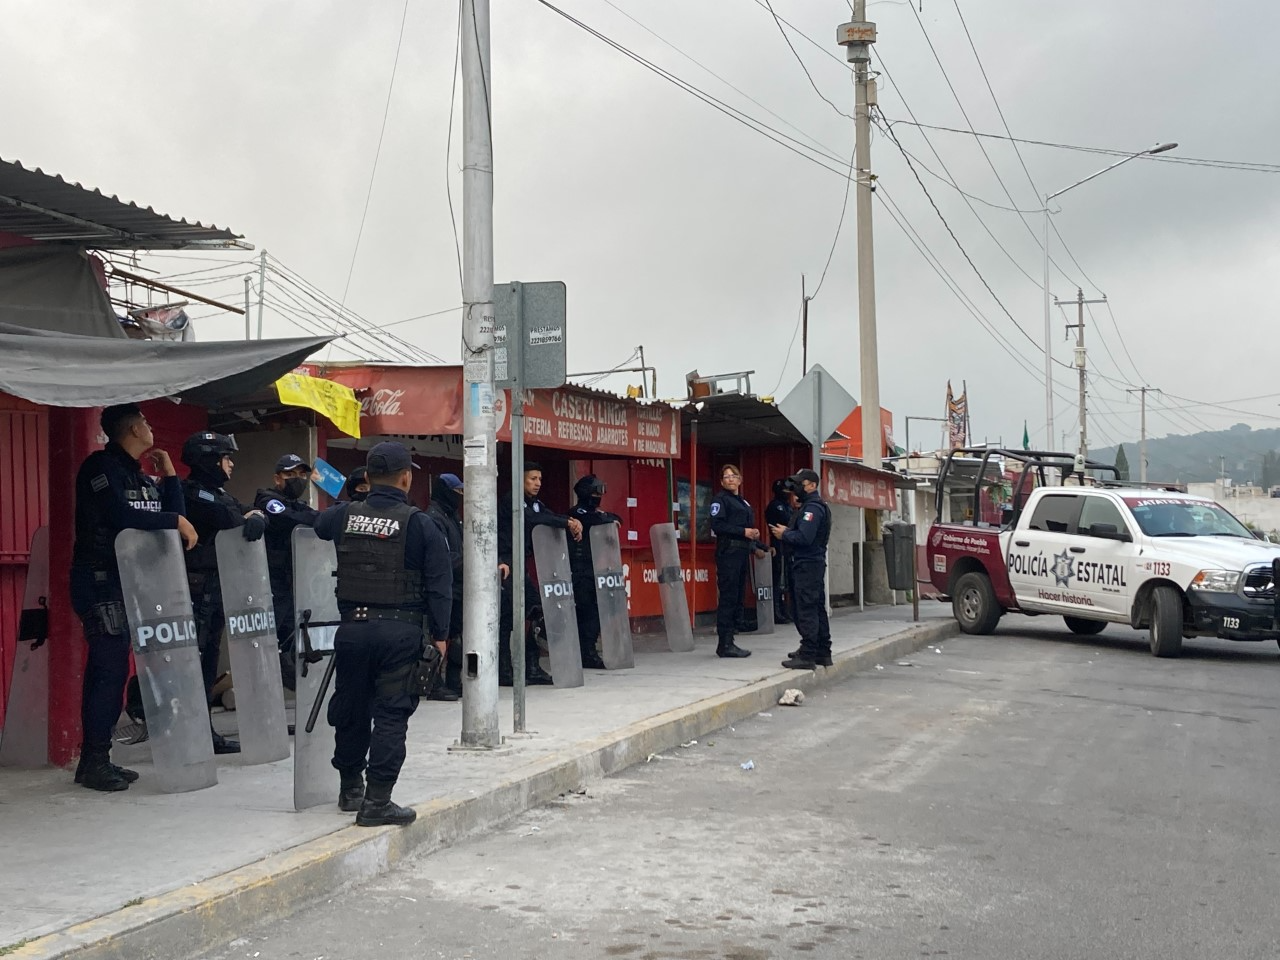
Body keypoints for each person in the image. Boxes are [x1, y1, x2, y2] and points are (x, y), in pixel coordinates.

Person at [314, 442, 452, 827]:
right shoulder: (421, 523)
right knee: (391, 714)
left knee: (351, 708)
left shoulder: (344, 515)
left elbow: (318, 524)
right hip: (400, 632)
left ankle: (350, 788)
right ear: (406, 477)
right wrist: (441, 635)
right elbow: (440, 584)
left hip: (353, 630)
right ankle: (377, 801)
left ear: (368, 479)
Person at [70, 403, 197, 791]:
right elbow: (122, 516)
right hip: (99, 581)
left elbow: (172, 519)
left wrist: (170, 476)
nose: (150, 427)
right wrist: (173, 521)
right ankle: (93, 760)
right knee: (107, 672)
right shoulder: (101, 468)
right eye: (146, 422)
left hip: (131, 585)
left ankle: (100, 758)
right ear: (132, 428)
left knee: (115, 671)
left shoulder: (138, 476)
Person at [180, 431, 270, 755]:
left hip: (217, 589)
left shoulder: (216, 492)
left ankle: (203, 731)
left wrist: (256, 515)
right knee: (197, 661)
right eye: (225, 458)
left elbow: (251, 511)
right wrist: (247, 516)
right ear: (209, 460)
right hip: (197, 590)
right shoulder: (193, 493)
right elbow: (230, 518)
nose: (230, 465)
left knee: (207, 661)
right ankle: (195, 733)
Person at [497, 462, 580, 685]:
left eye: (540, 479)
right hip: (505, 564)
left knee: (529, 613)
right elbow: (532, 520)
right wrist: (566, 522)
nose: (537, 483)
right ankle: (505, 671)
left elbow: (546, 515)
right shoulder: (512, 500)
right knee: (515, 616)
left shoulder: (534, 503)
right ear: (521, 479)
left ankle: (530, 667)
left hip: (521, 564)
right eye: (533, 479)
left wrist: (569, 522)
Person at [255, 453, 319, 689]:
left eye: (301, 474)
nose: (297, 479)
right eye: (290, 474)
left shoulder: (298, 504)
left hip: (293, 582)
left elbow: (315, 519)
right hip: (270, 584)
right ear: (277, 478)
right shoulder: (267, 499)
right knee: (271, 643)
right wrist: (308, 518)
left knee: (290, 640)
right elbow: (289, 520)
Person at [769, 468, 832, 670]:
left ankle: (808, 654)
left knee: (805, 609)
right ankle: (821, 651)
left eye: (800, 484)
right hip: (809, 565)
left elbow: (804, 538)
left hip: (807, 565)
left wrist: (784, 534)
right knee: (814, 607)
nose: (796, 488)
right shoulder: (809, 506)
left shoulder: (813, 508)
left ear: (812, 486)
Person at [709, 464, 765, 658]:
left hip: (742, 551)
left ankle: (732, 636)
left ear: (740, 479)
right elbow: (717, 525)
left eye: (734, 476)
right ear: (721, 481)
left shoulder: (742, 501)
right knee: (729, 597)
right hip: (729, 552)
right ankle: (725, 643)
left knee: (738, 595)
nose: (730, 479)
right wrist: (743, 532)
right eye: (726, 476)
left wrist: (754, 536)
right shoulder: (721, 500)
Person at [568, 474, 622, 670]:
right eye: (596, 491)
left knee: (596, 612)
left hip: (596, 569)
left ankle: (588, 649)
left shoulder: (597, 513)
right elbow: (595, 520)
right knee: (586, 612)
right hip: (580, 570)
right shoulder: (577, 513)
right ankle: (586, 652)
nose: (599, 495)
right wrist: (606, 518)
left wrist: (608, 518)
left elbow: (616, 518)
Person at [425, 472, 465, 700]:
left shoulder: (452, 516)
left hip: (457, 586)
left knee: (456, 635)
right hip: (441, 585)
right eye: (456, 492)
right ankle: (433, 683)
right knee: (438, 637)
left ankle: (453, 680)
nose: (459, 496)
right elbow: (443, 557)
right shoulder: (434, 518)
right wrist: (470, 563)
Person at [765, 479, 796, 625]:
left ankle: (785, 610)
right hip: (778, 544)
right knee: (778, 580)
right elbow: (788, 521)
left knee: (786, 579)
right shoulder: (776, 506)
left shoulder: (787, 505)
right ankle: (776, 612)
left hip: (788, 545)